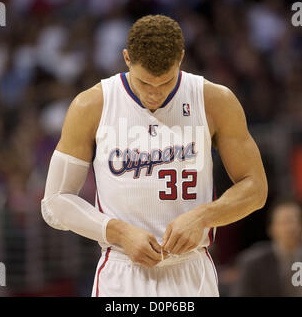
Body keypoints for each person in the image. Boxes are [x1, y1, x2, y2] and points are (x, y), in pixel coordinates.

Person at [41, 15, 267, 297]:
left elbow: (256, 188)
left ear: (181, 58)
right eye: (145, 83)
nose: (155, 94)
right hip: (122, 271)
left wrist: (203, 217)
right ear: (126, 59)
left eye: (166, 82)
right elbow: (54, 202)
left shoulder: (214, 100)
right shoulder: (92, 104)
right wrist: (118, 231)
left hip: (192, 272)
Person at [234, 199, 302, 297]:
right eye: (285, 222)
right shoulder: (254, 263)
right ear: (271, 228)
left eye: (296, 220)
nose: (291, 227)